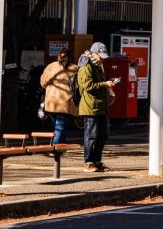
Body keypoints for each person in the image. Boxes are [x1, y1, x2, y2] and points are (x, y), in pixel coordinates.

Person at [76, 41, 117, 172]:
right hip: (90, 106)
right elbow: (88, 86)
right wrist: (105, 84)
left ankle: (97, 160)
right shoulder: (86, 65)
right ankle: (88, 162)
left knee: (103, 135)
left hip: (101, 106)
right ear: (94, 53)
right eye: (100, 55)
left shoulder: (97, 65)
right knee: (91, 136)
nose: (102, 58)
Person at [39, 48, 78, 145]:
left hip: (52, 103)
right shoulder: (75, 69)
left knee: (59, 126)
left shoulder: (51, 67)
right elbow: (78, 85)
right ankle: (55, 147)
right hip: (67, 103)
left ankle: (60, 147)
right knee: (60, 126)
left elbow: (43, 83)